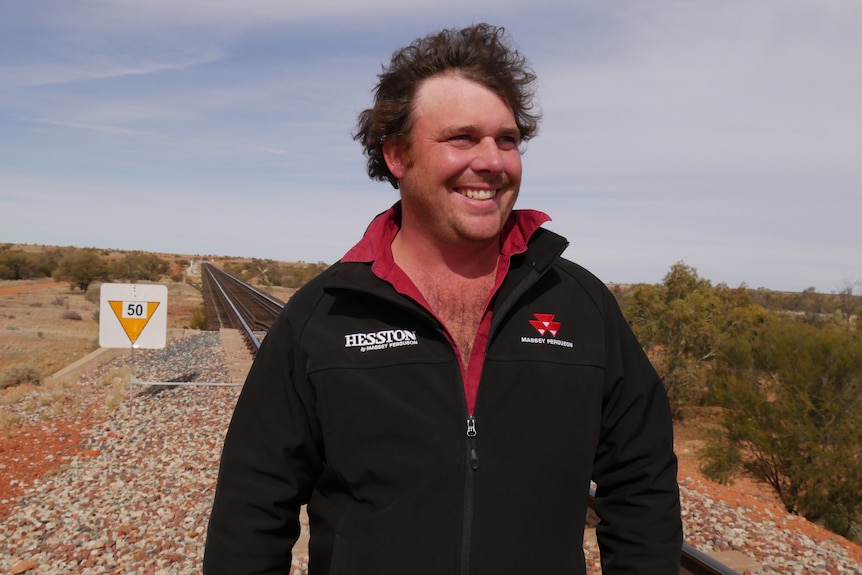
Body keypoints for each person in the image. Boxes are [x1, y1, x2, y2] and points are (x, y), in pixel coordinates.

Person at [204, 23, 682, 575]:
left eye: (506, 140)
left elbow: (642, 486)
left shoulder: (581, 305)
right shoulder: (326, 313)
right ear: (397, 156)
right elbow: (253, 510)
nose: (493, 161)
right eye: (463, 138)